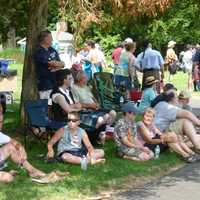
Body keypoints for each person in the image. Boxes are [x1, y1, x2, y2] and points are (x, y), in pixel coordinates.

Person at [34, 30, 65, 103]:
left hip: (55, 82)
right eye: (50, 37)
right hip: (45, 84)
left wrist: (57, 65)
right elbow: (51, 64)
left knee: (54, 104)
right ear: (45, 39)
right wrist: (56, 64)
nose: (52, 39)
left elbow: (63, 64)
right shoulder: (39, 51)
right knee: (47, 104)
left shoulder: (52, 50)